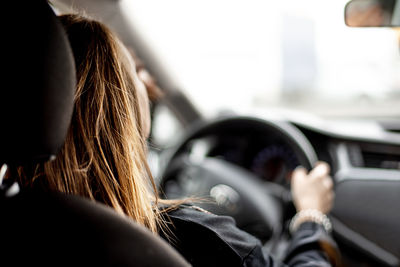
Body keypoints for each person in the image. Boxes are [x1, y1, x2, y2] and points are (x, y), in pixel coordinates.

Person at [17, 14, 338, 266]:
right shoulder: (190, 237)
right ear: (123, 106)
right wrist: (311, 217)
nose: (147, 85)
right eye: (135, 74)